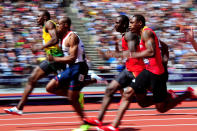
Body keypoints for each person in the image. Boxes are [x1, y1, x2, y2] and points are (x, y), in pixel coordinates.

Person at [83, 15, 145, 130]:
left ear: (124, 25)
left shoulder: (129, 35)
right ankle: (99, 120)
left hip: (137, 71)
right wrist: (116, 50)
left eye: (117, 23)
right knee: (110, 89)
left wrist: (114, 54)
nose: (114, 25)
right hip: (128, 69)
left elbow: (131, 53)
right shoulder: (124, 35)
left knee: (143, 102)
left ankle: (167, 96)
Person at [4, 10, 66, 115]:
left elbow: (55, 39)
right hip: (53, 59)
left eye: (39, 16)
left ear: (45, 17)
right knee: (56, 87)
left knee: (33, 79)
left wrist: (40, 47)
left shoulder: (49, 23)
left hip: (56, 59)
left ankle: (19, 107)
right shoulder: (45, 27)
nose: (37, 18)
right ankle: (77, 95)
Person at [45, 16, 91, 131]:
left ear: (65, 25)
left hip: (79, 67)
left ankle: (85, 123)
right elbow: (51, 35)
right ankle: (77, 96)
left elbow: (72, 58)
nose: (57, 26)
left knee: (71, 99)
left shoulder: (72, 37)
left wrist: (54, 59)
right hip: (70, 68)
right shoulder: (63, 36)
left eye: (59, 24)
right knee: (50, 87)